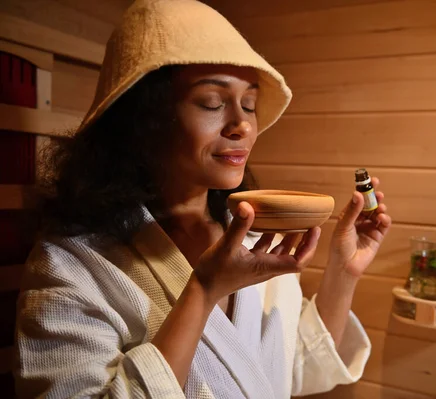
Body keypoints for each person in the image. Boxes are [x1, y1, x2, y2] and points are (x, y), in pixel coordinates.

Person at [14, 1, 391, 398]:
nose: (242, 124)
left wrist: (343, 270)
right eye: (212, 102)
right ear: (145, 119)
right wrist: (203, 291)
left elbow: (293, 369)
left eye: (249, 103)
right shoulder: (73, 263)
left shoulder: (252, 238)